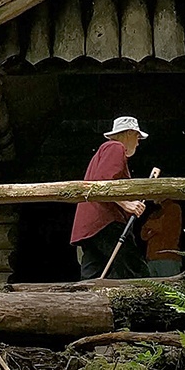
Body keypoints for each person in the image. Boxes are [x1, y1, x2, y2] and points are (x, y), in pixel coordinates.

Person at [70, 116, 151, 279]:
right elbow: (103, 181)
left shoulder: (104, 151)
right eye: (137, 137)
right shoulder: (115, 147)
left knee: (93, 274)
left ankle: (87, 302)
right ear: (129, 133)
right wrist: (127, 204)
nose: (138, 142)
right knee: (133, 269)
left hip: (90, 226)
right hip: (105, 222)